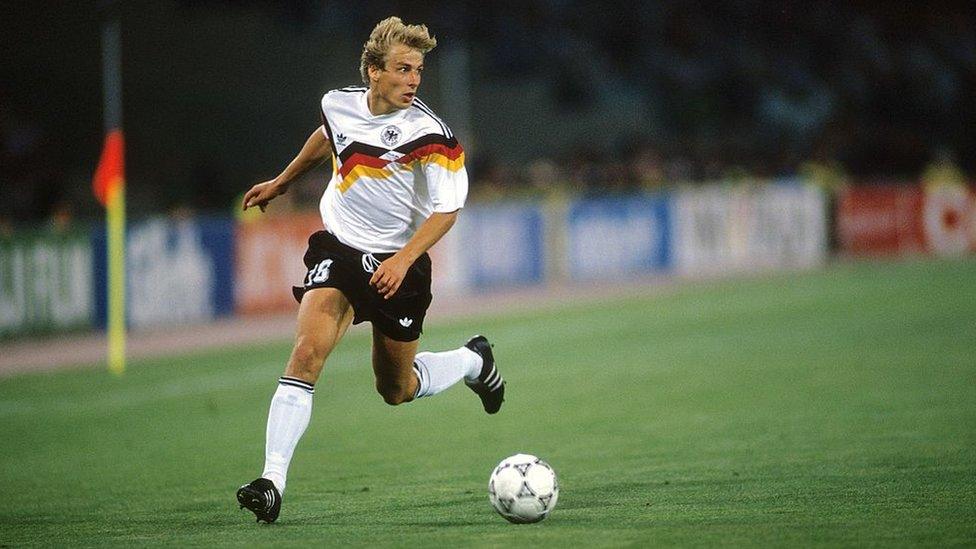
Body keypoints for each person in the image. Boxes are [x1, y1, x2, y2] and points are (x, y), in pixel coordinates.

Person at [235, 16, 505, 524]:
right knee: (307, 352)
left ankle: (473, 361)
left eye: (419, 71)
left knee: (395, 390)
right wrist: (283, 180)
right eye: (403, 69)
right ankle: (271, 481)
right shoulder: (339, 102)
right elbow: (327, 135)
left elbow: (447, 210)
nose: (413, 80)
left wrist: (403, 261)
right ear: (374, 72)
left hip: (398, 264)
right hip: (339, 248)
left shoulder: (431, 134)